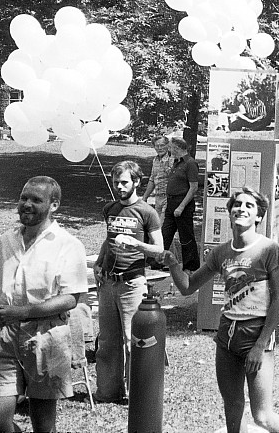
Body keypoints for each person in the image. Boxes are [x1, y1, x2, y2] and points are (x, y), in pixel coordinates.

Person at [164, 188, 279, 433]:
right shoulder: (220, 253)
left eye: (249, 206)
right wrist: (172, 263)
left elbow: (278, 301)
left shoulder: (270, 250)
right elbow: (188, 287)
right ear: (230, 212)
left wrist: (260, 345)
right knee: (233, 409)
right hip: (227, 335)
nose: (242, 208)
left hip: (256, 334)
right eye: (237, 205)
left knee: (262, 416)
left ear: (258, 217)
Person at [0, 176, 87, 433]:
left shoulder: (68, 244)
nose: (26, 204)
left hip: (46, 337)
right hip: (4, 337)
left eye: (36, 200)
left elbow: (70, 298)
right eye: (23, 198)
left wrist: (21, 312)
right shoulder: (6, 240)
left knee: (43, 425)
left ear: (54, 205)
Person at [93, 161, 164, 403]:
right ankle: (108, 392)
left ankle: (139, 395)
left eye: (124, 182)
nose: (119, 186)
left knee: (134, 341)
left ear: (136, 182)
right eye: (116, 182)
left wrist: (137, 244)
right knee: (107, 342)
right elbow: (109, 240)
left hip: (133, 284)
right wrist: (99, 263)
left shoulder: (147, 212)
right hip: (108, 284)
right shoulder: (110, 209)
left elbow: (159, 250)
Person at [162, 137, 201, 271]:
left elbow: (193, 187)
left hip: (182, 204)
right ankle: (157, 261)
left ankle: (191, 266)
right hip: (171, 203)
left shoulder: (190, 163)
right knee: (165, 233)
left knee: (186, 236)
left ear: (177, 148)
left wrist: (181, 206)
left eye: (171, 147)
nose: (169, 149)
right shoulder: (176, 162)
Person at [141, 135, 174, 221]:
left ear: (167, 145)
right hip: (158, 197)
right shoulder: (155, 159)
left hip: (169, 198)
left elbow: (173, 176)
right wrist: (145, 197)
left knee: (162, 225)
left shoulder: (173, 158)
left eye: (162, 145)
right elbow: (152, 179)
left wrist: (165, 163)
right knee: (157, 225)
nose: (160, 148)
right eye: (157, 146)